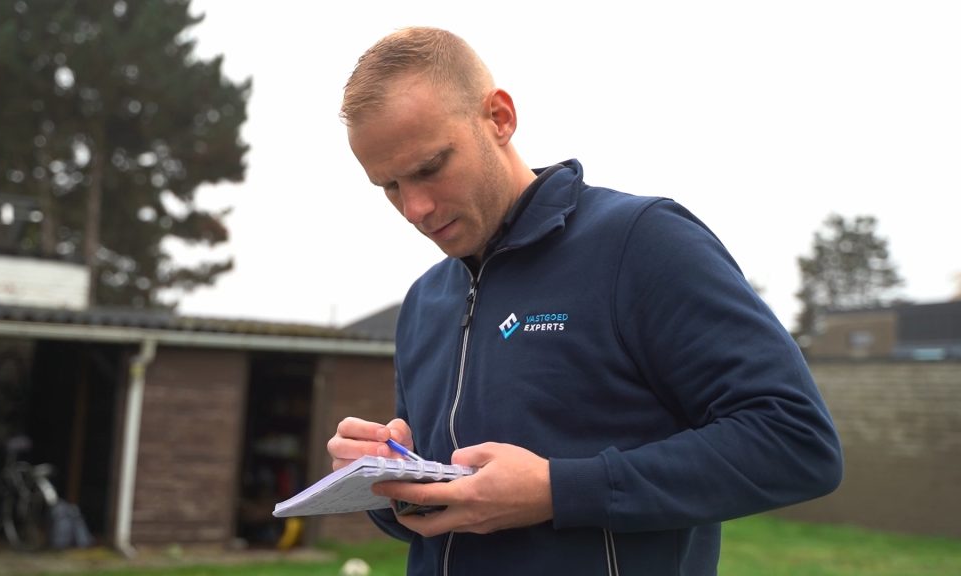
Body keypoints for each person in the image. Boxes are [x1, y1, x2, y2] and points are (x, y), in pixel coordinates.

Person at [327, 26, 843, 576]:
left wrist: (558, 490)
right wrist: (383, 481)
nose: (415, 209)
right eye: (390, 186)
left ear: (499, 117)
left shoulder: (641, 243)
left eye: (430, 168)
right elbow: (446, 515)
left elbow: (796, 440)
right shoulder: (424, 302)